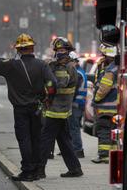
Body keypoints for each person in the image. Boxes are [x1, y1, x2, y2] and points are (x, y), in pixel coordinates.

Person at [0, 33, 56, 181]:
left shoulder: (12, 65)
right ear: (32, 48)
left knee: (24, 140)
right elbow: (52, 83)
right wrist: (48, 98)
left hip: (20, 109)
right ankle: (38, 170)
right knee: (37, 138)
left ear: (18, 49)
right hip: (37, 107)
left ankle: (27, 171)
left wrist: (8, 60)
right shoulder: (42, 65)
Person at [37, 37, 83, 179]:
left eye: (63, 50)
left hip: (57, 111)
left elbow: (57, 85)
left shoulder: (66, 67)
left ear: (68, 52)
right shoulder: (58, 65)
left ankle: (39, 170)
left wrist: (49, 72)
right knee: (64, 141)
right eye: (58, 50)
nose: (60, 53)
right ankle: (75, 169)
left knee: (45, 140)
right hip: (60, 110)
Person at [91, 44, 118, 164]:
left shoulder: (110, 70)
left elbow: (104, 87)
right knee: (113, 132)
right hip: (115, 107)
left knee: (103, 131)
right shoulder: (118, 67)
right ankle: (112, 155)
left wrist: (96, 99)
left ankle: (103, 156)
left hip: (105, 107)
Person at [68, 51, 87, 158]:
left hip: (75, 105)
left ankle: (78, 150)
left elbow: (73, 91)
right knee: (72, 127)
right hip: (78, 105)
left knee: (74, 128)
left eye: (70, 62)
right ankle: (73, 149)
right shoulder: (79, 71)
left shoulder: (77, 74)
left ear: (74, 62)